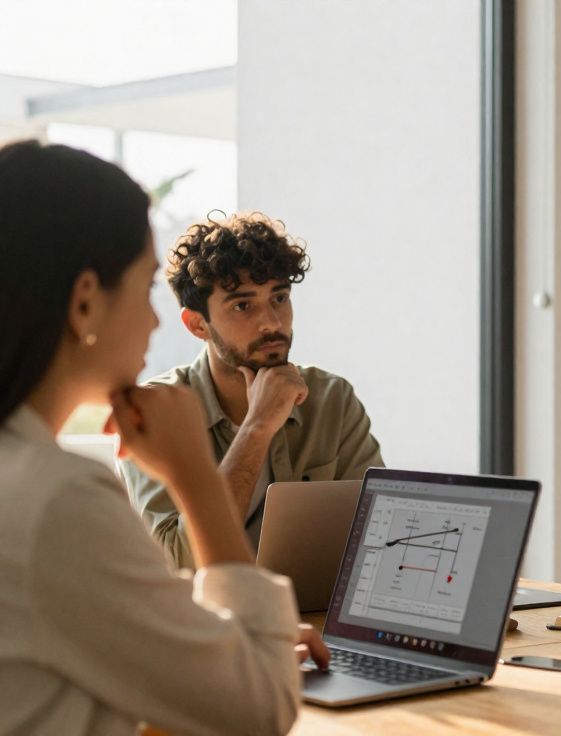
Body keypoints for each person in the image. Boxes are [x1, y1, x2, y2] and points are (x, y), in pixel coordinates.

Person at [0, 140, 328, 735]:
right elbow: (259, 709)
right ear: (84, 304)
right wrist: (197, 480)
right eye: (147, 287)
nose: (155, 321)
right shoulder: (58, 498)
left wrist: (209, 645)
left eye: (279, 298)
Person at [120, 212, 383, 569]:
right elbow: (179, 565)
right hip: (207, 622)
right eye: (243, 305)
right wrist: (257, 427)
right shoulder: (153, 413)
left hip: (312, 618)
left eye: (279, 298)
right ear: (197, 324)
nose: (273, 323)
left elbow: (380, 539)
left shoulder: (331, 399)